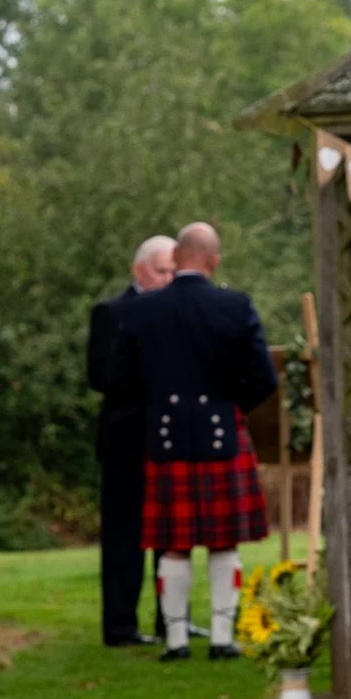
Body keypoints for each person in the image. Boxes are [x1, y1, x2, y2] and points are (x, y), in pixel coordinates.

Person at [110, 222, 278, 661]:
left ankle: (178, 640)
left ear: (178, 256)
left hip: (164, 439)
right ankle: (223, 639)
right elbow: (263, 377)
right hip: (224, 433)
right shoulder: (234, 304)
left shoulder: (143, 310)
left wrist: (159, 405)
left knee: (173, 544)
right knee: (225, 542)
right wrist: (226, 405)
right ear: (213, 260)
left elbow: (120, 378)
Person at [87, 234, 177, 646]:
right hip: (126, 439)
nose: (168, 278)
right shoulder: (110, 313)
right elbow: (101, 377)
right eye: (162, 271)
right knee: (124, 536)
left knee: (171, 534)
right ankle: (121, 624)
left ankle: (171, 619)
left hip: (170, 437)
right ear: (139, 270)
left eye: (173, 272)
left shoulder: (177, 311)